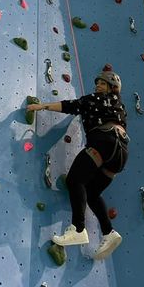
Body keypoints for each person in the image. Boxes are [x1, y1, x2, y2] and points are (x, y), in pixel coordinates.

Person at [26, 71, 129, 260]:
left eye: (103, 84)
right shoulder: (120, 107)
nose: (98, 86)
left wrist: (42, 106)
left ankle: (78, 228)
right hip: (121, 154)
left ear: (111, 88)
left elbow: (71, 106)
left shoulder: (95, 99)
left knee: (75, 180)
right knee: (92, 194)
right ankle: (109, 232)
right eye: (97, 83)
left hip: (103, 142)